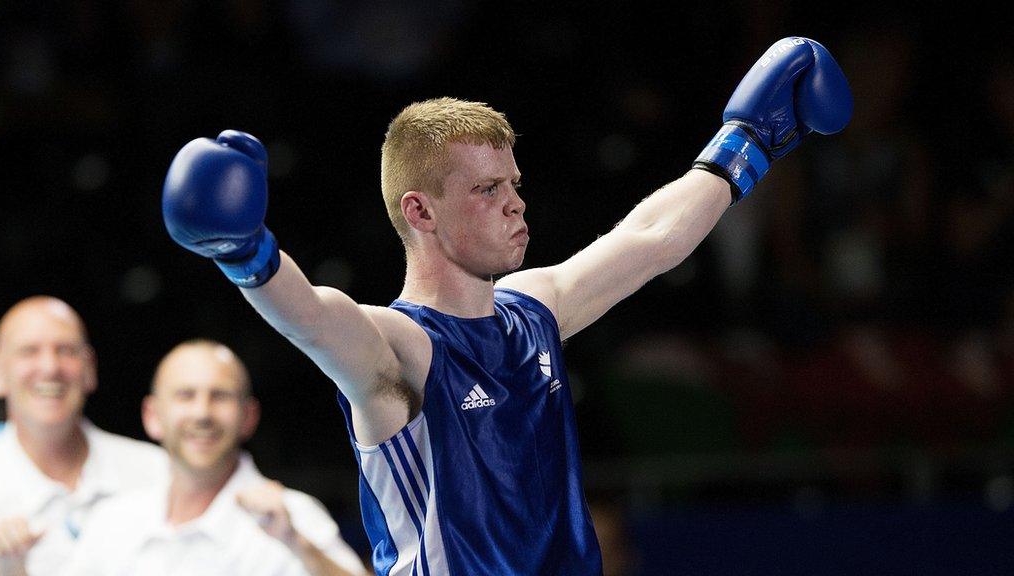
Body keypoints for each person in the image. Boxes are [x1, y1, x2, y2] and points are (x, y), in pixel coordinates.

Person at [160, 37, 852, 574]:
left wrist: (746, 144)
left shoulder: (534, 308)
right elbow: (309, 315)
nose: (516, 201)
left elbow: (650, 237)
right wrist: (243, 252)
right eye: (488, 189)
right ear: (420, 211)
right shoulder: (398, 347)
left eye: (514, 182)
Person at [62, 339, 369, 575]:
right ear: (152, 415)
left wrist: (297, 544)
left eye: (219, 396)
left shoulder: (294, 518)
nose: (202, 413)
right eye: (185, 395)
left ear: (248, 416)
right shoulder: (112, 521)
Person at [0, 297, 168, 576]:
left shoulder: (158, 472)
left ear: (89, 368)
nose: (50, 367)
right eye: (29, 352)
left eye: (66, 351)